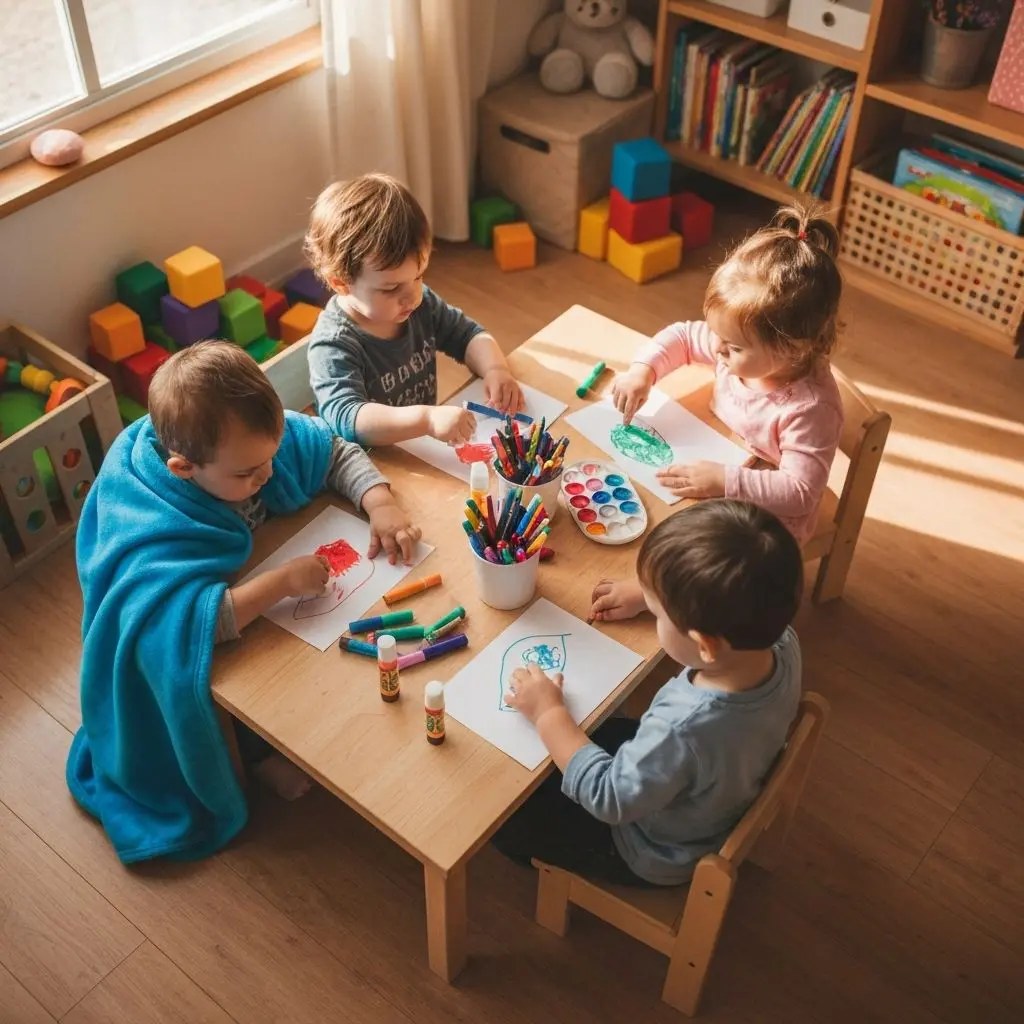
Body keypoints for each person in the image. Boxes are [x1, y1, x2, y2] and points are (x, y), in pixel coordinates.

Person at [67, 341, 421, 863]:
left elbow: (332, 449)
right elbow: (183, 629)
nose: (268, 476)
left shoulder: (244, 446)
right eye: (248, 474)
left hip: (238, 578)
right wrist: (278, 584)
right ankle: (253, 757)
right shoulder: (153, 512)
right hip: (183, 644)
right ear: (184, 468)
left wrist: (381, 502)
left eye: (272, 458)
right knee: (219, 685)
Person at [494, 499, 804, 887]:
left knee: (503, 815)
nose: (654, 611)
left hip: (646, 847)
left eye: (660, 612)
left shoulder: (684, 729)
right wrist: (651, 594)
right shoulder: (778, 640)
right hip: (715, 786)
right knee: (598, 729)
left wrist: (547, 714)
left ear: (704, 645)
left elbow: (609, 797)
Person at [612, 203, 844, 544]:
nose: (717, 349)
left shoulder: (809, 410)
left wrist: (725, 480)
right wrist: (642, 371)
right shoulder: (739, 344)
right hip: (721, 452)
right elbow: (683, 336)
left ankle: (657, 596)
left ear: (791, 349)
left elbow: (800, 492)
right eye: (716, 333)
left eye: (733, 346)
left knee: (687, 548)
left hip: (766, 523)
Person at [305, 173, 523, 446]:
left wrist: (495, 369)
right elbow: (348, 418)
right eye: (391, 288)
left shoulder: (419, 306)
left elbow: (467, 334)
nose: (412, 296)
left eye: (419, 276)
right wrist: (427, 420)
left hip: (421, 449)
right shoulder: (333, 344)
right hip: (370, 468)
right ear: (341, 284)